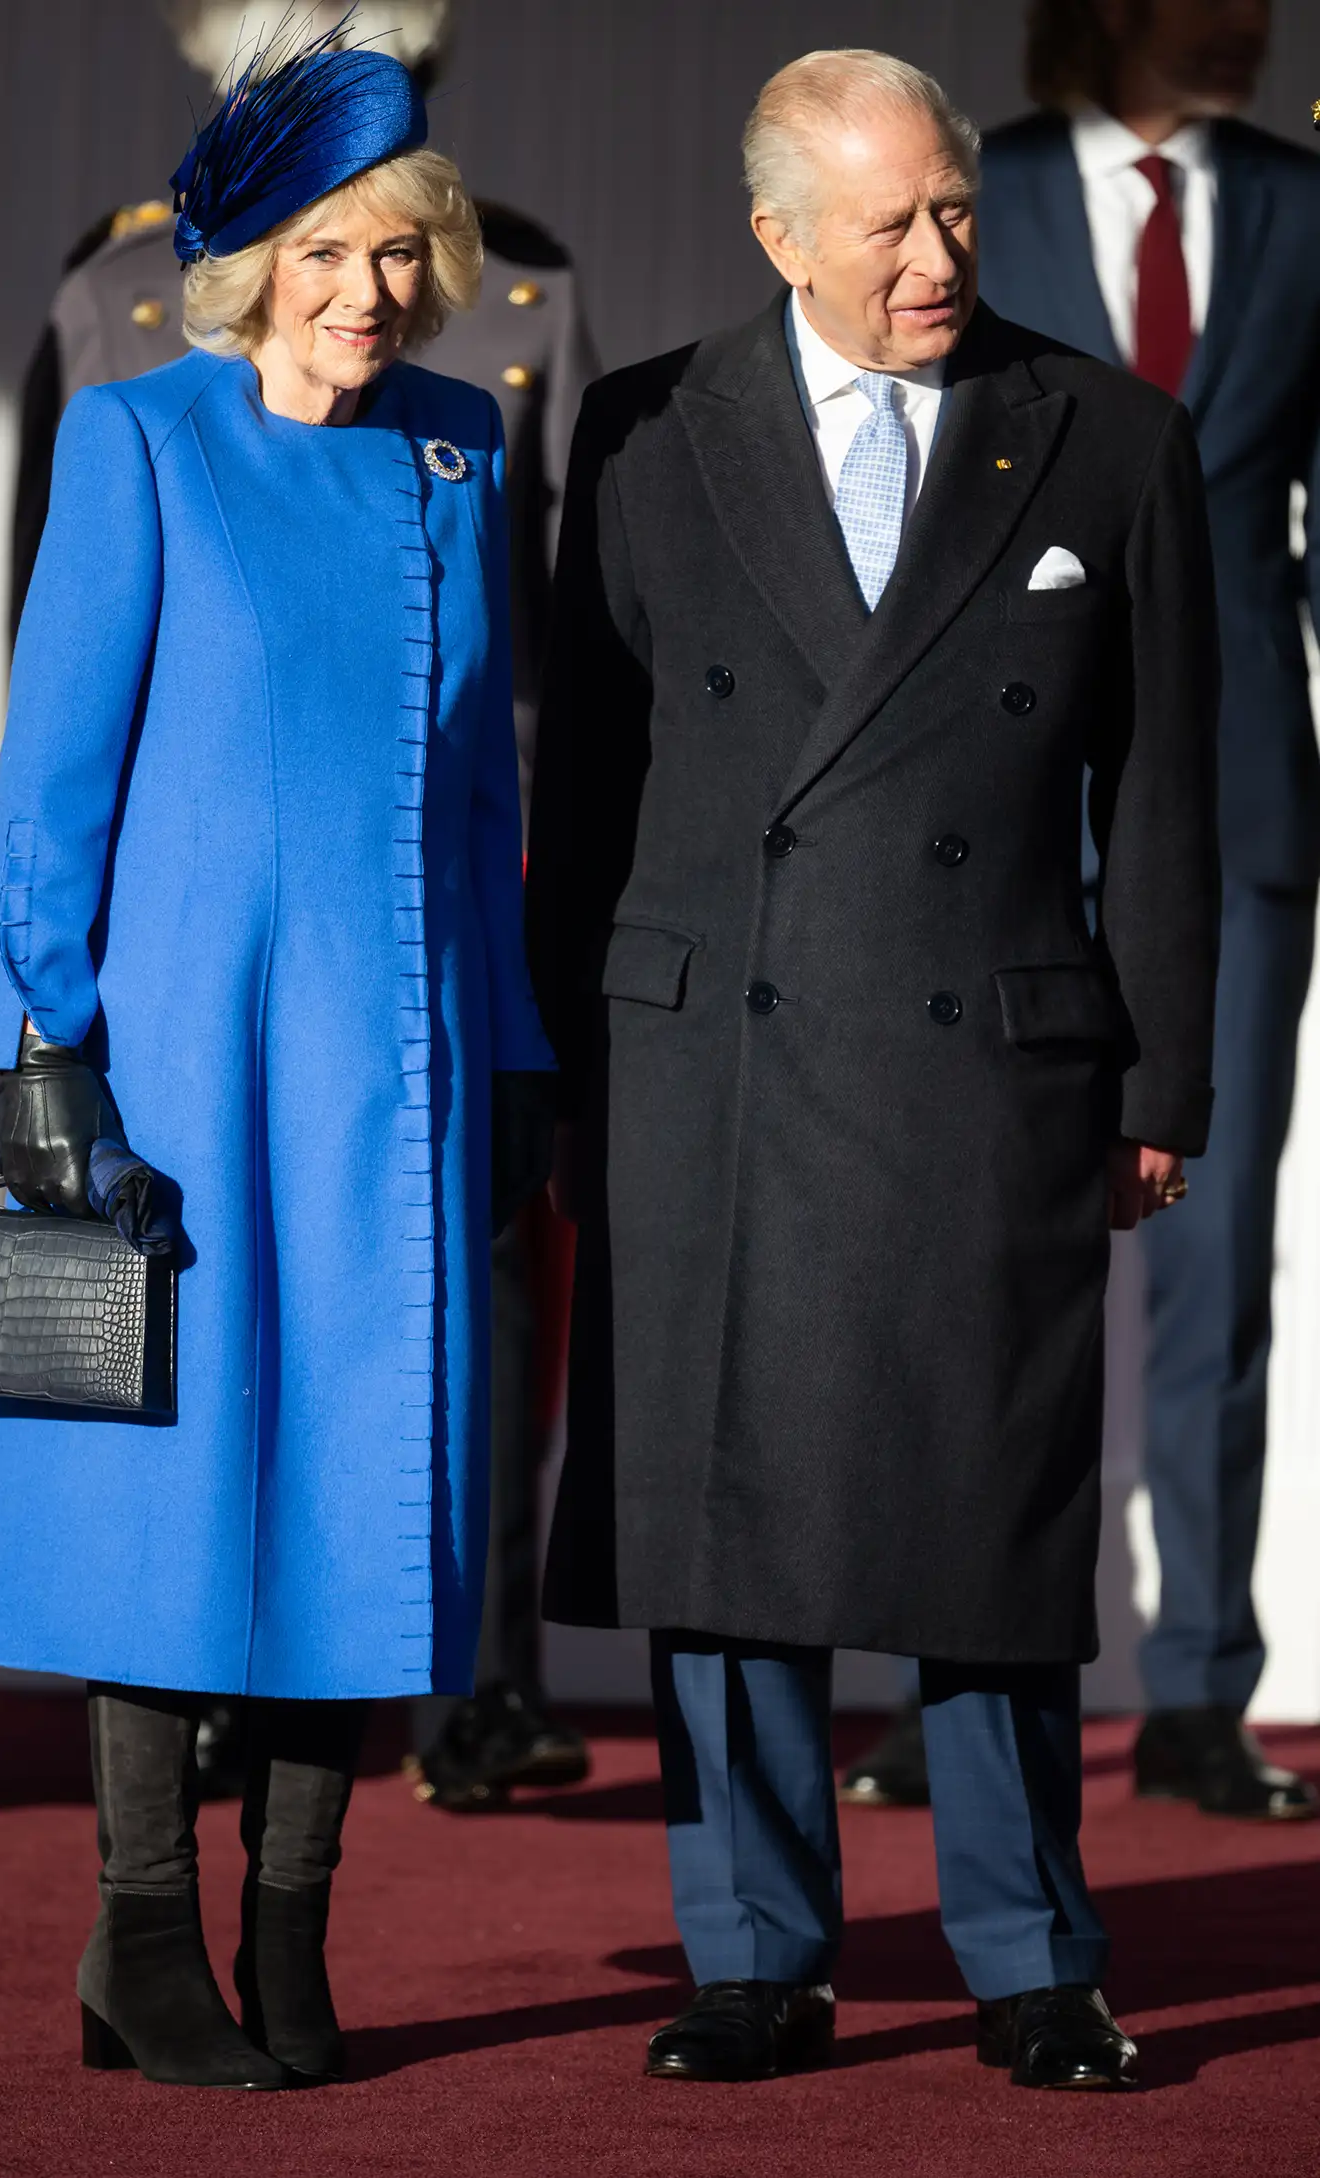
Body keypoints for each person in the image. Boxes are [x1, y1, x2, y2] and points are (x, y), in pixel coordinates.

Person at [527, 47, 1219, 2090]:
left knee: (981, 1527)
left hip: (984, 1053)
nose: (937, 254)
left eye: (954, 211)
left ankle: (1029, 1956)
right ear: (778, 237)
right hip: (709, 1055)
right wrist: (569, 1074)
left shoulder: (1105, 435)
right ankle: (755, 1951)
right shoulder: (651, 428)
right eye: (889, 222)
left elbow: (1168, 795)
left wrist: (1159, 1081)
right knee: (723, 1528)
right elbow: (591, 788)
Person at [0, 22, 555, 2090]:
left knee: (362, 1500)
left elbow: (484, 797)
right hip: (186, 1068)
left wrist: (523, 1051)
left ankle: (290, 1942)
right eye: (330, 252)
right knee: (167, 1496)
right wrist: (51, 1063)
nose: (372, 294)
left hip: (401, 1072)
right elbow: (53, 798)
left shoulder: (458, 450)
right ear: (247, 259)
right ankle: (139, 1939)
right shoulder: (141, 441)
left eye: (403, 253)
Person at [848, 0, 1320, 1823]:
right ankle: (930, 1665)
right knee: (951, 1249)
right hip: (992, 789)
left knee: (1219, 1265)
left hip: (1248, 789)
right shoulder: (977, 188)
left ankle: (1204, 1685)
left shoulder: (1302, 201)